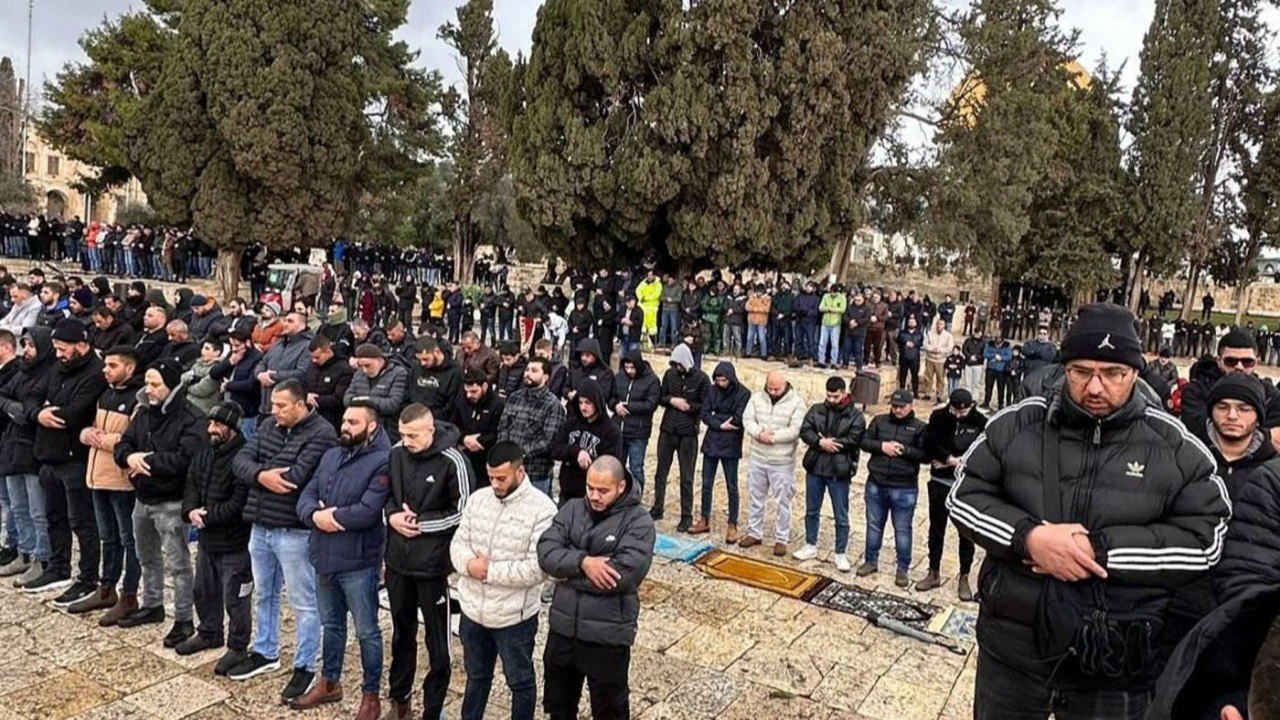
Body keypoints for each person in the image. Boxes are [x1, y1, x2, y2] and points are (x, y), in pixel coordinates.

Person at [948, 302, 1231, 720]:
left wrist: (1098, 551)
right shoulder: (1018, 425)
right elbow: (964, 494)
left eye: (1113, 373)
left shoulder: (1174, 446)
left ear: (1134, 372)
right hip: (1013, 650)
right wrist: (1029, 538)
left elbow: (1206, 537)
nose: (1095, 387)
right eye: (1081, 371)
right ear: (1064, 368)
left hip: (1114, 659)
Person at [228, 380, 338, 702]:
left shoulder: (322, 433)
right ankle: (266, 650)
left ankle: (305, 665)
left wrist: (257, 470)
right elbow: (240, 460)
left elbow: (294, 477)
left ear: (301, 404)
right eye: (273, 404)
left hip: (293, 529)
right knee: (265, 593)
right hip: (260, 524)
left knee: (304, 601)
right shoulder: (267, 425)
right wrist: (262, 475)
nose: (273, 410)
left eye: (281, 406)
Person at [537, 456, 655, 720]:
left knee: (610, 710)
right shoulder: (572, 509)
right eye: (590, 488)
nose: (594, 496)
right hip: (563, 630)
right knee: (558, 708)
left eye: (603, 490)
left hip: (607, 636)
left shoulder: (639, 521)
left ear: (621, 486)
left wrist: (566, 573)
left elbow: (622, 576)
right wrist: (584, 562)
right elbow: (546, 552)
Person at [291, 404, 390, 720]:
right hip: (324, 554)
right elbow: (306, 496)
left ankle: (371, 696)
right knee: (331, 624)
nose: (345, 426)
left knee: (367, 631)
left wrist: (330, 516)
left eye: (353, 422)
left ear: (371, 427)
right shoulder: (332, 455)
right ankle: (330, 682)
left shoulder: (383, 460)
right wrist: (314, 515)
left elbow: (368, 511)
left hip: (358, 561)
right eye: (344, 420)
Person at [449, 441, 557, 720]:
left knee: (520, 681)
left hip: (513, 618)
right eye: (491, 478)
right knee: (476, 676)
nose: (495, 484)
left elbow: (537, 569)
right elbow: (458, 544)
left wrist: (488, 572)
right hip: (473, 611)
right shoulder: (478, 499)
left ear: (520, 472)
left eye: (501, 478)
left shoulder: (543, 510)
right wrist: (469, 565)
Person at [384, 404, 474, 720]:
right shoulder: (396, 453)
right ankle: (400, 699)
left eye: (413, 435)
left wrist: (422, 524)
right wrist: (392, 517)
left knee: (438, 644)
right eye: (402, 434)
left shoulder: (453, 460)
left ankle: (433, 709)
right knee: (401, 633)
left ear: (430, 431)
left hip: (433, 566)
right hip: (398, 561)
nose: (406, 441)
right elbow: (387, 496)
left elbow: (464, 511)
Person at [113, 359, 205, 646]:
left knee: (179, 565)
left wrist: (146, 462)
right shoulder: (144, 412)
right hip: (143, 497)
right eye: (147, 383)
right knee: (147, 557)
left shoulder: (192, 418)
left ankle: (184, 619)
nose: (149, 389)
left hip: (172, 501)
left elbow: (185, 459)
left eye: (156, 384)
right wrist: (129, 457)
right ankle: (152, 604)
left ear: (172, 385)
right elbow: (124, 443)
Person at [33, 320, 108, 607]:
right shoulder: (57, 367)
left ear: (81, 345)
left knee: (83, 522)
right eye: (56, 348)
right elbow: (33, 395)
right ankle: (58, 566)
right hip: (48, 454)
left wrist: (49, 410)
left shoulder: (94, 373)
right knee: (54, 517)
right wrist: (38, 413)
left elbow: (75, 413)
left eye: (63, 348)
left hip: (74, 458)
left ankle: (88, 577)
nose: (59, 354)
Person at [179, 402, 252, 673]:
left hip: (234, 542)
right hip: (207, 539)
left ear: (232, 428)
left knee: (236, 597)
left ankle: (238, 646)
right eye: (210, 423)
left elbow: (239, 503)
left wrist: (207, 516)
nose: (211, 429)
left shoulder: (244, 456)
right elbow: (191, 484)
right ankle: (209, 632)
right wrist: (190, 511)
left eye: (218, 424)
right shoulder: (204, 451)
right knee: (203, 590)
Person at [74, 346, 144, 620]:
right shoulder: (105, 393)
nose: (106, 370)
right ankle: (106, 588)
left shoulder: (138, 398)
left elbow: (132, 438)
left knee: (129, 539)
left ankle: (129, 594)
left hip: (121, 480)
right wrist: (86, 434)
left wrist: (100, 439)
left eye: (112, 366)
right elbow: (90, 426)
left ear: (129, 368)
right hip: (98, 476)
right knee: (108, 538)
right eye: (105, 365)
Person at [1, 328, 57, 590]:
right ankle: (24, 551)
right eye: (25, 345)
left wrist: (25, 410)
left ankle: (42, 557)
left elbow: (37, 410)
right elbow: (5, 397)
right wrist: (11, 407)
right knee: (17, 506)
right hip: (12, 446)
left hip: (34, 447)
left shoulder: (51, 373)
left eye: (31, 346)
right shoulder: (22, 372)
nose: (27, 351)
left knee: (37, 511)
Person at [917, 388, 985, 599]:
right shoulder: (938, 416)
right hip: (940, 482)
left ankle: (964, 575)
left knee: (966, 533)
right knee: (936, 528)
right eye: (954, 411)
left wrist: (955, 462)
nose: (957, 415)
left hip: (965, 485)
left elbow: (982, 451)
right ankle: (933, 571)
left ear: (971, 407)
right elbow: (930, 443)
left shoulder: (981, 422)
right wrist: (949, 458)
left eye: (962, 412)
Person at [857, 388, 927, 587]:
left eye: (901, 407)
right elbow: (864, 441)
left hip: (904, 487)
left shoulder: (920, 427)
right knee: (873, 525)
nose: (897, 410)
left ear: (910, 406)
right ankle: (871, 561)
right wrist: (882, 447)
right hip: (876, 482)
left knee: (902, 529)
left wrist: (905, 450)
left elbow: (925, 455)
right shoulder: (879, 421)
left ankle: (903, 568)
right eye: (894, 406)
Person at [795, 376, 865, 572]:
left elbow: (855, 439)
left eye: (836, 396)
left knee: (840, 514)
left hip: (839, 470)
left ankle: (840, 552)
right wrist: (820, 442)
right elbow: (805, 430)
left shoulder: (855, 416)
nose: (832, 400)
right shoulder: (817, 409)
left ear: (844, 393)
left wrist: (832, 443)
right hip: (816, 466)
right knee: (812, 509)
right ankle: (810, 544)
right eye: (829, 396)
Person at [734, 369, 807, 557]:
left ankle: (781, 538)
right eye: (770, 388)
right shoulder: (757, 399)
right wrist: (759, 433)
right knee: (756, 496)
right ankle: (754, 532)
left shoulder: (797, 403)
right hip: (758, 457)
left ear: (785, 384)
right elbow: (747, 419)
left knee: (783, 500)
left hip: (781, 460)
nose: (773, 392)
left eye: (777, 389)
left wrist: (773, 437)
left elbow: (795, 430)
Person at [1181, 328, 1280, 446]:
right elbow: (1198, 429)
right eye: (1231, 361)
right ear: (1219, 360)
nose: (1239, 367)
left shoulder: (1270, 394)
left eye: (1247, 362)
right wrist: (1263, 434)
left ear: (1256, 362)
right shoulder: (1196, 390)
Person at [651, 343, 708, 526]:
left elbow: (705, 406)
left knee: (686, 476)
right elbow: (661, 397)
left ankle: (686, 515)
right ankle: (657, 507)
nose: (677, 368)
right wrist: (672, 401)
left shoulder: (701, 379)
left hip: (687, 433)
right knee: (661, 472)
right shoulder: (670, 375)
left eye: (679, 364)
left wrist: (689, 407)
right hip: (668, 429)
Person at [693, 361, 750, 537]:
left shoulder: (743, 393)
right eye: (718, 380)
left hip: (731, 443)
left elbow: (738, 418)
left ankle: (733, 522)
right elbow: (704, 413)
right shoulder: (712, 390)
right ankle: (704, 518)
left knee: (731, 485)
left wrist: (716, 417)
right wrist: (720, 424)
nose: (720, 383)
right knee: (706, 482)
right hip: (712, 440)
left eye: (724, 380)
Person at [497, 357, 565, 498]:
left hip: (536, 475)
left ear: (545, 377)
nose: (528, 373)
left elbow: (548, 442)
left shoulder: (553, 405)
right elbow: (503, 427)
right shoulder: (515, 397)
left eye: (534, 370)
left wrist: (519, 453)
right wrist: (504, 451)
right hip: (509, 470)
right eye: (527, 370)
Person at [553, 379, 622, 504]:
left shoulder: (611, 431)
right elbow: (555, 449)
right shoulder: (571, 424)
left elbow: (611, 465)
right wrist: (576, 452)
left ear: (597, 402)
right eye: (580, 402)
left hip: (593, 494)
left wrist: (589, 459)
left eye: (588, 403)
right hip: (567, 490)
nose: (583, 407)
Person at [611, 350, 659, 496]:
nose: (629, 371)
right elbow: (611, 397)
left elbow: (651, 404)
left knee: (636, 468)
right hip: (618, 430)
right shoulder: (619, 377)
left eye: (632, 367)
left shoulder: (652, 380)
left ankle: (636, 498)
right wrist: (615, 406)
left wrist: (628, 407)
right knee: (616, 467)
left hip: (638, 433)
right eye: (626, 367)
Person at [452, 367, 505, 485]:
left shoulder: (498, 404)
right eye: (467, 391)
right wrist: (464, 439)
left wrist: (478, 441)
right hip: (465, 454)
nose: (469, 395)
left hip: (486, 458)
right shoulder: (462, 400)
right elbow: (454, 425)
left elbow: (497, 432)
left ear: (484, 386)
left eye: (474, 391)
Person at [345, 343, 409, 440]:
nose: (364, 370)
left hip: (387, 428)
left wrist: (366, 400)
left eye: (368, 365)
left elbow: (393, 404)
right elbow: (347, 398)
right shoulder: (359, 373)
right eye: (360, 366)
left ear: (379, 360)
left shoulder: (398, 373)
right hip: (361, 426)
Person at [302, 334, 353, 432]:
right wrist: (305, 396)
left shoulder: (344, 369)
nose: (314, 360)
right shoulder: (312, 366)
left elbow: (339, 399)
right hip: (309, 415)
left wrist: (316, 400)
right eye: (312, 357)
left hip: (331, 419)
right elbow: (302, 384)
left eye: (317, 357)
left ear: (328, 352)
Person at [407, 336, 463, 420]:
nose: (422, 363)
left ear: (436, 352)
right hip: (414, 415)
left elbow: (453, 405)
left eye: (426, 359)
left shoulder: (455, 372)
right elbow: (407, 393)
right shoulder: (416, 368)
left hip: (439, 419)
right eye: (419, 360)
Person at [921, 317, 954, 401]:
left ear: (944, 325)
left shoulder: (948, 336)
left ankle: (939, 394)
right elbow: (925, 344)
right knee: (928, 377)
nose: (939, 326)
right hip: (930, 358)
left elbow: (950, 347)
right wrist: (932, 349)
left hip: (941, 360)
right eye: (938, 324)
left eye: (941, 324)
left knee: (940, 378)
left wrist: (941, 350)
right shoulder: (930, 333)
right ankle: (927, 393)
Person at [817, 283, 846, 368]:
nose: (834, 294)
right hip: (825, 323)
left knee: (834, 344)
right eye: (832, 292)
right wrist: (830, 309)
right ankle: (821, 360)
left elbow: (842, 309)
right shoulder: (826, 296)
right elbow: (821, 307)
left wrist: (831, 309)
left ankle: (834, 362)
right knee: (822, 343)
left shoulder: (842, 297)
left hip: (836, 323)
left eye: (835, 292)